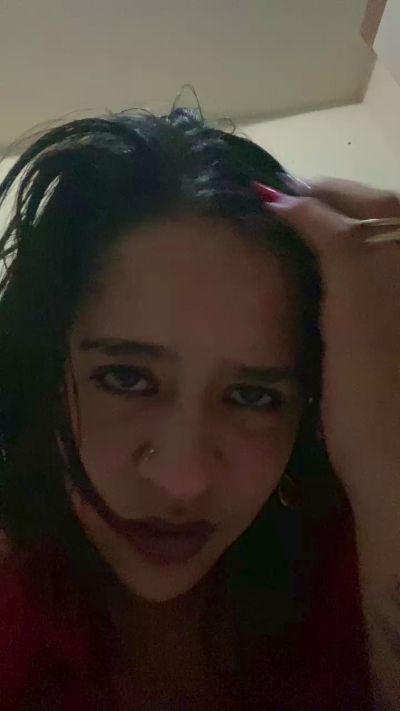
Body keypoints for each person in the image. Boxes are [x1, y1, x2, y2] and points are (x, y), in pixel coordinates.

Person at [0, 108, 398, 710]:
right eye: (126, 378)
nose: (182, 480)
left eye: (253, 396)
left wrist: (389, 472)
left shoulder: (362, 549)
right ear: (43, 371)